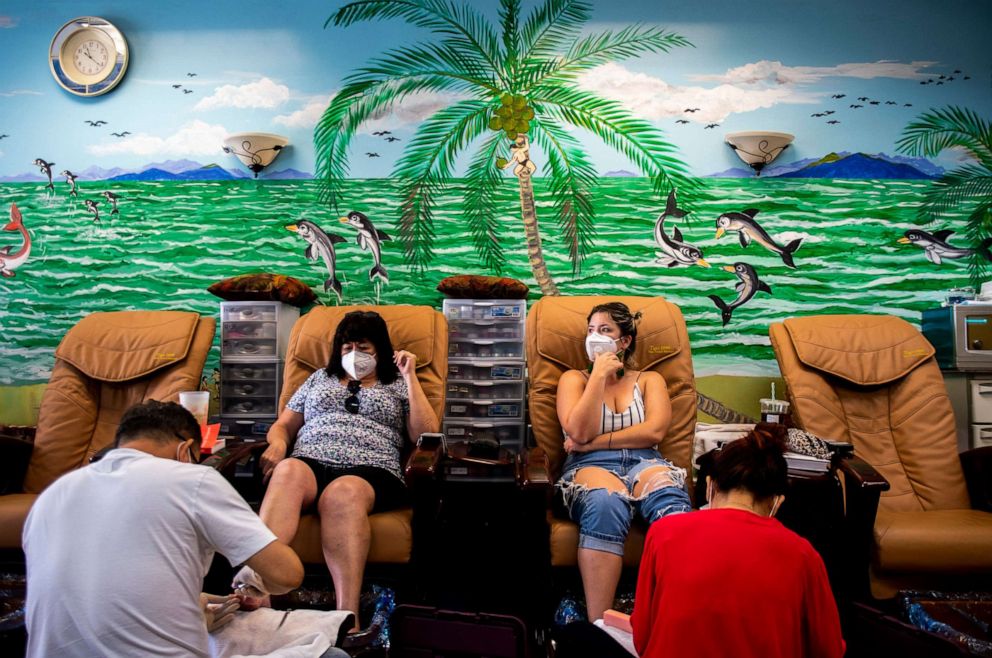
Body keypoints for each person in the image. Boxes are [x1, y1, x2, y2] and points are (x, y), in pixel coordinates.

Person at [22, 400, 304, 658]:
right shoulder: (191, 480)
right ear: (185, 451)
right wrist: (255, 584)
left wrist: (190, 608)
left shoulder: (51, 496)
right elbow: (287, 574)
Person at [240, 309, 439, 629]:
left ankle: (347, 618)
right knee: (288, 471)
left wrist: (410, 376)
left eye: (364, 347)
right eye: (347, 348)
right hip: (311, 458)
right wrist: (277, 444)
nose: (354, 354)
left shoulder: (396, 383)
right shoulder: (319, 378)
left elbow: (425, 434)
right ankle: (259, 588)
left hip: (372, 466)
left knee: (341, 493)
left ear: (382, 351)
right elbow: (284, 426)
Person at [631, 424, 845, 658]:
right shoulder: (803, 555)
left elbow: (642, 637)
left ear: (710, 485)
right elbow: (829, 650)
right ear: (777, 502)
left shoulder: (663, 533)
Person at [556, 301, 693, 622]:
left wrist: (590, 443)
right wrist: (598, 378)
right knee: (606, 502)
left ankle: (674, 620)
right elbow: (577, 429)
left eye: (605, 331)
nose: (594, 337)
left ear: (624, 341)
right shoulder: (573, 380)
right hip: (589, 467)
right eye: (590, 331)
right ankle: (599, 626)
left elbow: (654, 431)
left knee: (671, 504)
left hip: (645, 460)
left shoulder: (649, 380)